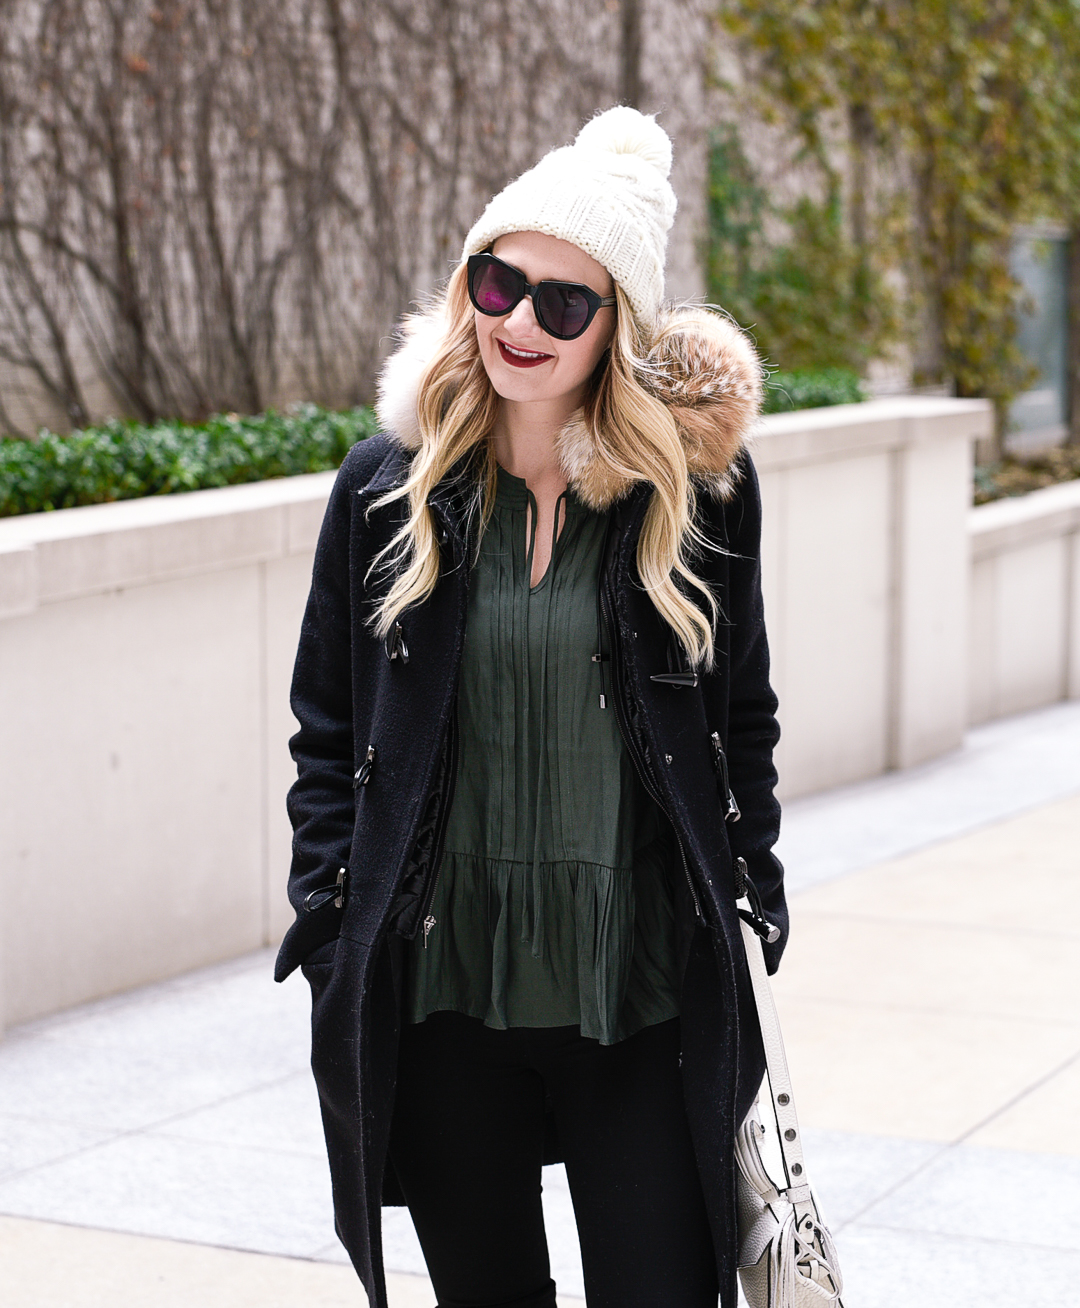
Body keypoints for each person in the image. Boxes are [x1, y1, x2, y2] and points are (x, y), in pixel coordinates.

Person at [274, 105, 788, 1308]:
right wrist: (328, 916)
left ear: (619, 327)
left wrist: (754, 889)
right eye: (499, 282)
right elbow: (327, 723)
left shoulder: (694, 497)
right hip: (445, 986)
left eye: (566, 303)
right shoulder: (387, 488)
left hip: (640, 990)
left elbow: (742, 712)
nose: (520, 322)